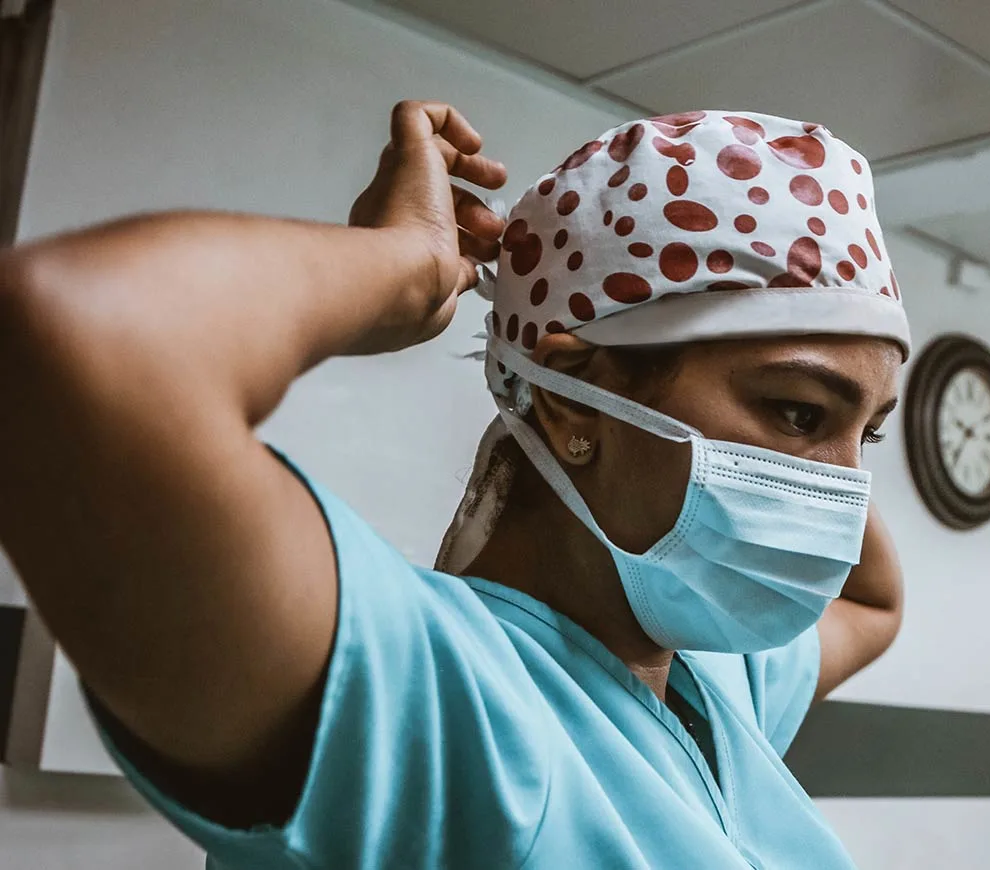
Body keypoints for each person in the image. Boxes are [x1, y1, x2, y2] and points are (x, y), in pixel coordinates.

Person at [0, 101, 906, 868]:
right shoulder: (435, 705)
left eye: (867, 434)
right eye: (797, 411)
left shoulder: (714, 687)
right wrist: (408, 265)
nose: (846, 491)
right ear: (575, 402)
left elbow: (873, 602)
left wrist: (833, 363)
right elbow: (84, 336)